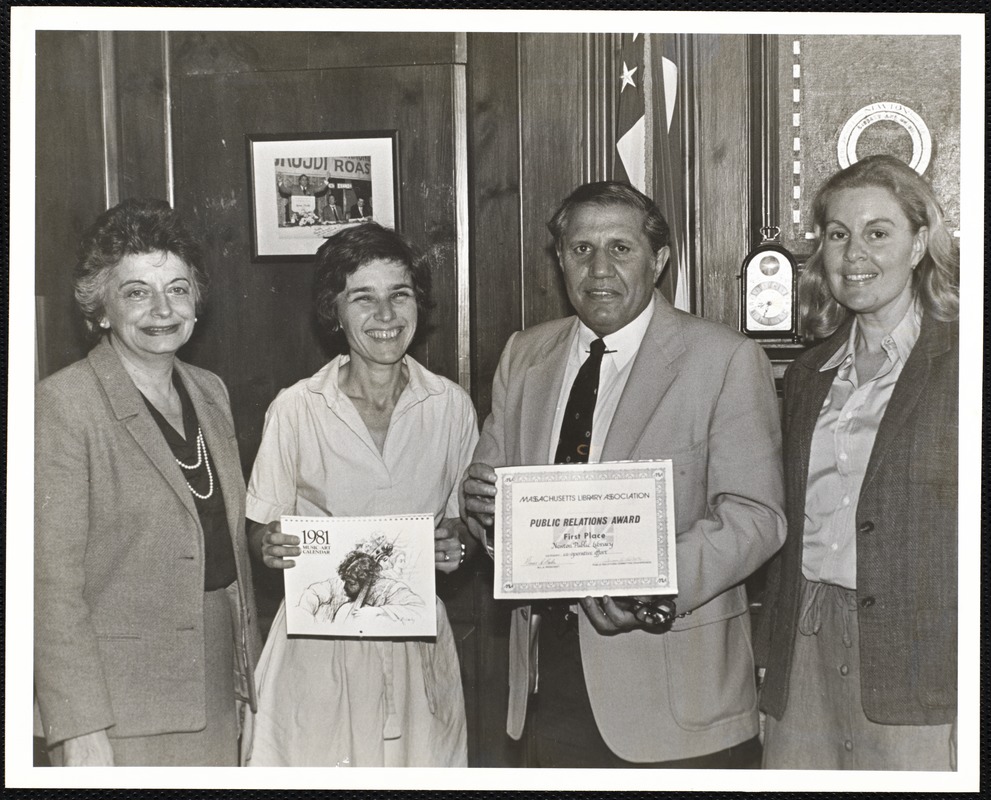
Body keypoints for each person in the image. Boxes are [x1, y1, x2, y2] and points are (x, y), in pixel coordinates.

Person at [461, 181, 785, 768]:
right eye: (581, 249)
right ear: (559, 260)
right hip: (543, 687)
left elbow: (756, 518)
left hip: (671, 689)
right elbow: (491, 497)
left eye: (621, 248)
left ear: (659, 260)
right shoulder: (524, 355)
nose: (599, 269)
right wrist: (482, 511)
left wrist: (654, 583)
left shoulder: (724, 359)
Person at [241, 222, 479, 767]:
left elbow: (462, 525)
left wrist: (457, 544)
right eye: (363, 299)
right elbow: (259, 531)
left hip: (413, 642)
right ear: (335, 312)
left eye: (400, 295)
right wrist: (268, 546)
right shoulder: (297, 408)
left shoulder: (450, 406)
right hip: (317, 646)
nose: (387, 316)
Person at [34, 199, 260, 766]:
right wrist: (78, 726)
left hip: (216, 686)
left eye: (177, 289)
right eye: (137, 291)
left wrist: (247, 686)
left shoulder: (210, 391)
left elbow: (225, 551)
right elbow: (47, 584)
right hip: (117, 708)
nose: (162, 308)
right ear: (101, 308)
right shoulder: (63, 405)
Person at [754, 154, 959, 770]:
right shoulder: (811, 374)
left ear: (920, 242)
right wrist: (771, 670)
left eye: (878, 232)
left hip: (921, 660)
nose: (853, 254)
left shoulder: (961, 364)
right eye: (837, 235)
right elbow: (786, 538)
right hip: (806, 645)